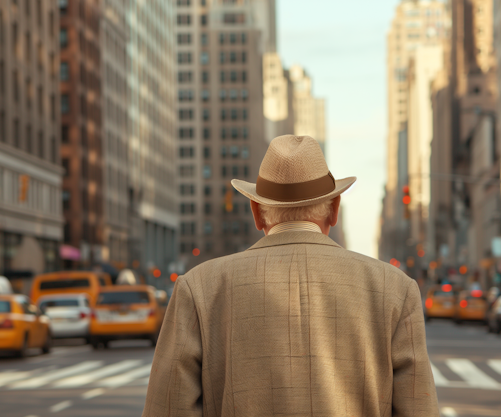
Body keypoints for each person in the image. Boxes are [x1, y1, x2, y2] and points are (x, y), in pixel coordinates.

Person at [143, 135, 439, 416]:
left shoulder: (199, 288)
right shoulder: (396, 289)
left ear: (257, 211)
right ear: (334, 210)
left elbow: (168, 408)